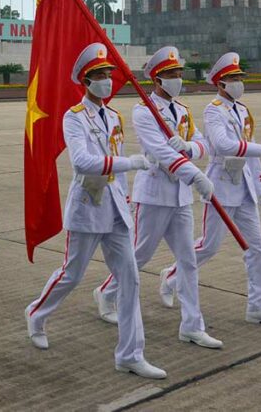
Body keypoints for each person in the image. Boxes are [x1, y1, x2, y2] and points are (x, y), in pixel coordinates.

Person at [24, 43, 165, 379]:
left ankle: (130, 354)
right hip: (88, 206)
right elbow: (82, 162)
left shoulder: (114, 116)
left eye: (108, 75)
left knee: (130, 279)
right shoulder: (73, 117)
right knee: (71, 275)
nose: (106, 81)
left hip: (116, 208)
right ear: (85, 81)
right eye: (100, 75)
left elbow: (110, 161)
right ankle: (37, 313)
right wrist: (131, 163)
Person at [94, 46, 222, 349]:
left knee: (188, 261)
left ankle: (192, 325)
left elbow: (203, 144)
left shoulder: (183, 110)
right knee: (138, 256)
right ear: (157, 79)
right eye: (171, 74)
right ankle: (107, 292)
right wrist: (194, 173)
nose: (177, 79)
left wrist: (190, 148)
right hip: (154, 195)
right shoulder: (143, 110)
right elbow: (158, 152)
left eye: (179, 73)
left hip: (179, 197)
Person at [160, 52, 261, 328]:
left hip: (243, 189)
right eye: (233, 78)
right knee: (209, 246)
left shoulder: (242, 111)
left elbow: (249, 155)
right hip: (219, 186)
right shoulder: (213, 110)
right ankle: (172, 276)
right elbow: (223, 146)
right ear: (220, 83)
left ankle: (259, 306)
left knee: (258, 248)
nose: (238, 82)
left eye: (240, 77)